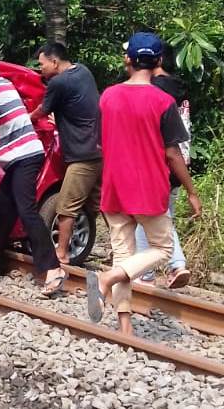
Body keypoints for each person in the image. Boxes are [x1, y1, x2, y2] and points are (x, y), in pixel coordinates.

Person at [86, 32, 201, 335]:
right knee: (163, 250)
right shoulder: (164, 101)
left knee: (124, 253)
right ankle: (107, 279)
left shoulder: (107, 96)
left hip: (113, 186)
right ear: (159, 61)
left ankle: (125, 328)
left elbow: (100, 143)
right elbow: (174, 154)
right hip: (148, 188)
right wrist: (191, 191)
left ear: (128, 59)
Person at [0, 49, 66, 296]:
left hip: (23, 156)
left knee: (26, 211)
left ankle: (53, 268)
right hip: (18, 156)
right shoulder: (4, 83)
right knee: (2, 209)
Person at [30, 43, 101, 265]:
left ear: (54, 61)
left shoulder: (59, 82)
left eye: (42, 64)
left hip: (82, 156)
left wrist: (23, 119)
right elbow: (76, 106)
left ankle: (61, 253)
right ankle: (127, 252)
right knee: (102, 204)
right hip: (98, 149)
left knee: (66, 207)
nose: (40, 69)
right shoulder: (83, 71)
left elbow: (42, 110)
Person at [133, 43, 191, 288]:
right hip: (180, 162)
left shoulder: (154, 91)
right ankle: (146, 274)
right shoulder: (181, 88)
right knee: (160, 217)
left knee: (149, 219)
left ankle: (175, 263)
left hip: (157, 164)